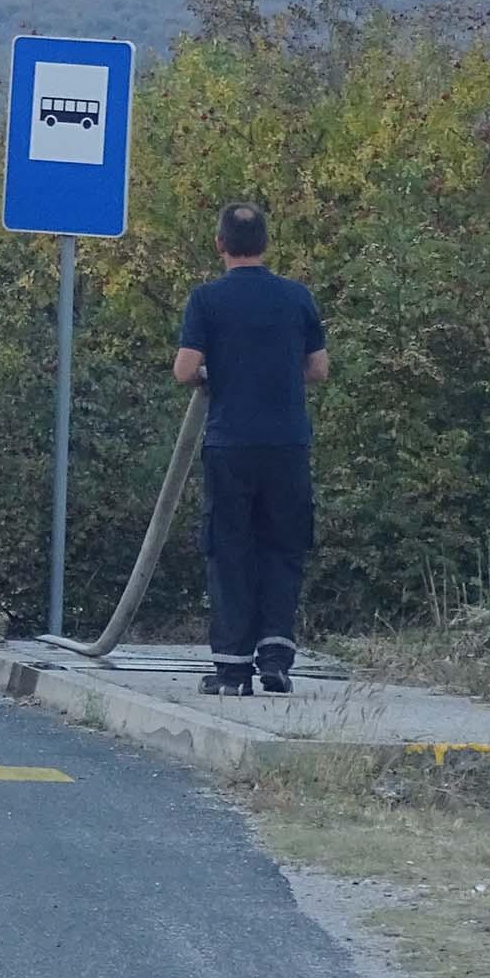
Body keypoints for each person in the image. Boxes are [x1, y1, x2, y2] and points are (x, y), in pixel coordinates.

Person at [172, 203, 329, 696]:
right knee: (284, 547)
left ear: (220, 243)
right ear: (266, 244)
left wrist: (214, 374)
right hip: (288, 443)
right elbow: (319, 368)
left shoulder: (207, 300)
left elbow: (184, 369)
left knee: (230, 549)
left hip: (231, 444)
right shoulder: (296, 297)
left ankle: (232, 669)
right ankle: (276, 659)